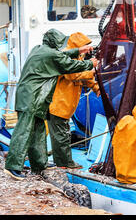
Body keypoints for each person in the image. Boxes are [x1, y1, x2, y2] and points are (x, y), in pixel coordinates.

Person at [4, 29, 97, 181]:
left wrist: (79, 50)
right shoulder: (52, 55)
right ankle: (12, 166)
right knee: (23, 131)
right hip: (32, 98)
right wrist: (90, 64)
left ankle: (40, 164)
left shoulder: (39, 49)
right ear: (55, 42)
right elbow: (69, 66)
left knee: (38, 131)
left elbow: (62, 55)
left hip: (34, 98)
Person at [48, 32, 100, 169]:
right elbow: (74, 75)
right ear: (78, 45)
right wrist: (92, 70)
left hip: (66, 107)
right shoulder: (64, 58)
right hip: (58, 105)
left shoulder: (79, 58)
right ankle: (64, 164)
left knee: (63, 134)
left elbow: (86, 78)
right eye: (85, 46)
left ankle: (63, 163)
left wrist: (96, 87)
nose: (87, 50)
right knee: (60, 137)